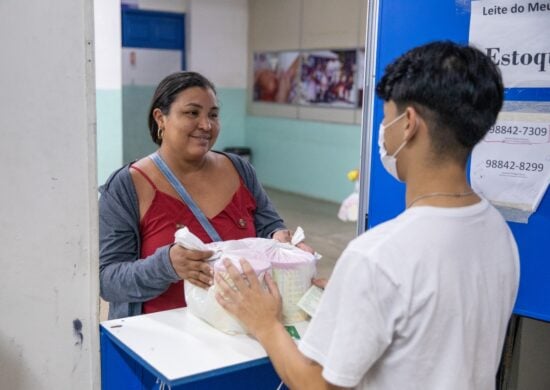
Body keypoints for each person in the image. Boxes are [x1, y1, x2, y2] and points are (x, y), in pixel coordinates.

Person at [215, 41, 520, 389]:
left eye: (386, 117)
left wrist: (263, 323)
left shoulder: (377, 256)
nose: (383, 131)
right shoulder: (497, 231)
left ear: (408, 124)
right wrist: (353, 297)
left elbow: (318, 385)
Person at [99, 71, 302, 320]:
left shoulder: (239, 170)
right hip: (159, 342)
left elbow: (269, 226)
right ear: (160, 118)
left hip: (238, 331)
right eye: (192, 113)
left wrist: (278, 238)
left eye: (213, 115)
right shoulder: (127, 186)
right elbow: (107, 280)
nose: (206, 125)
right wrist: (167, 265)